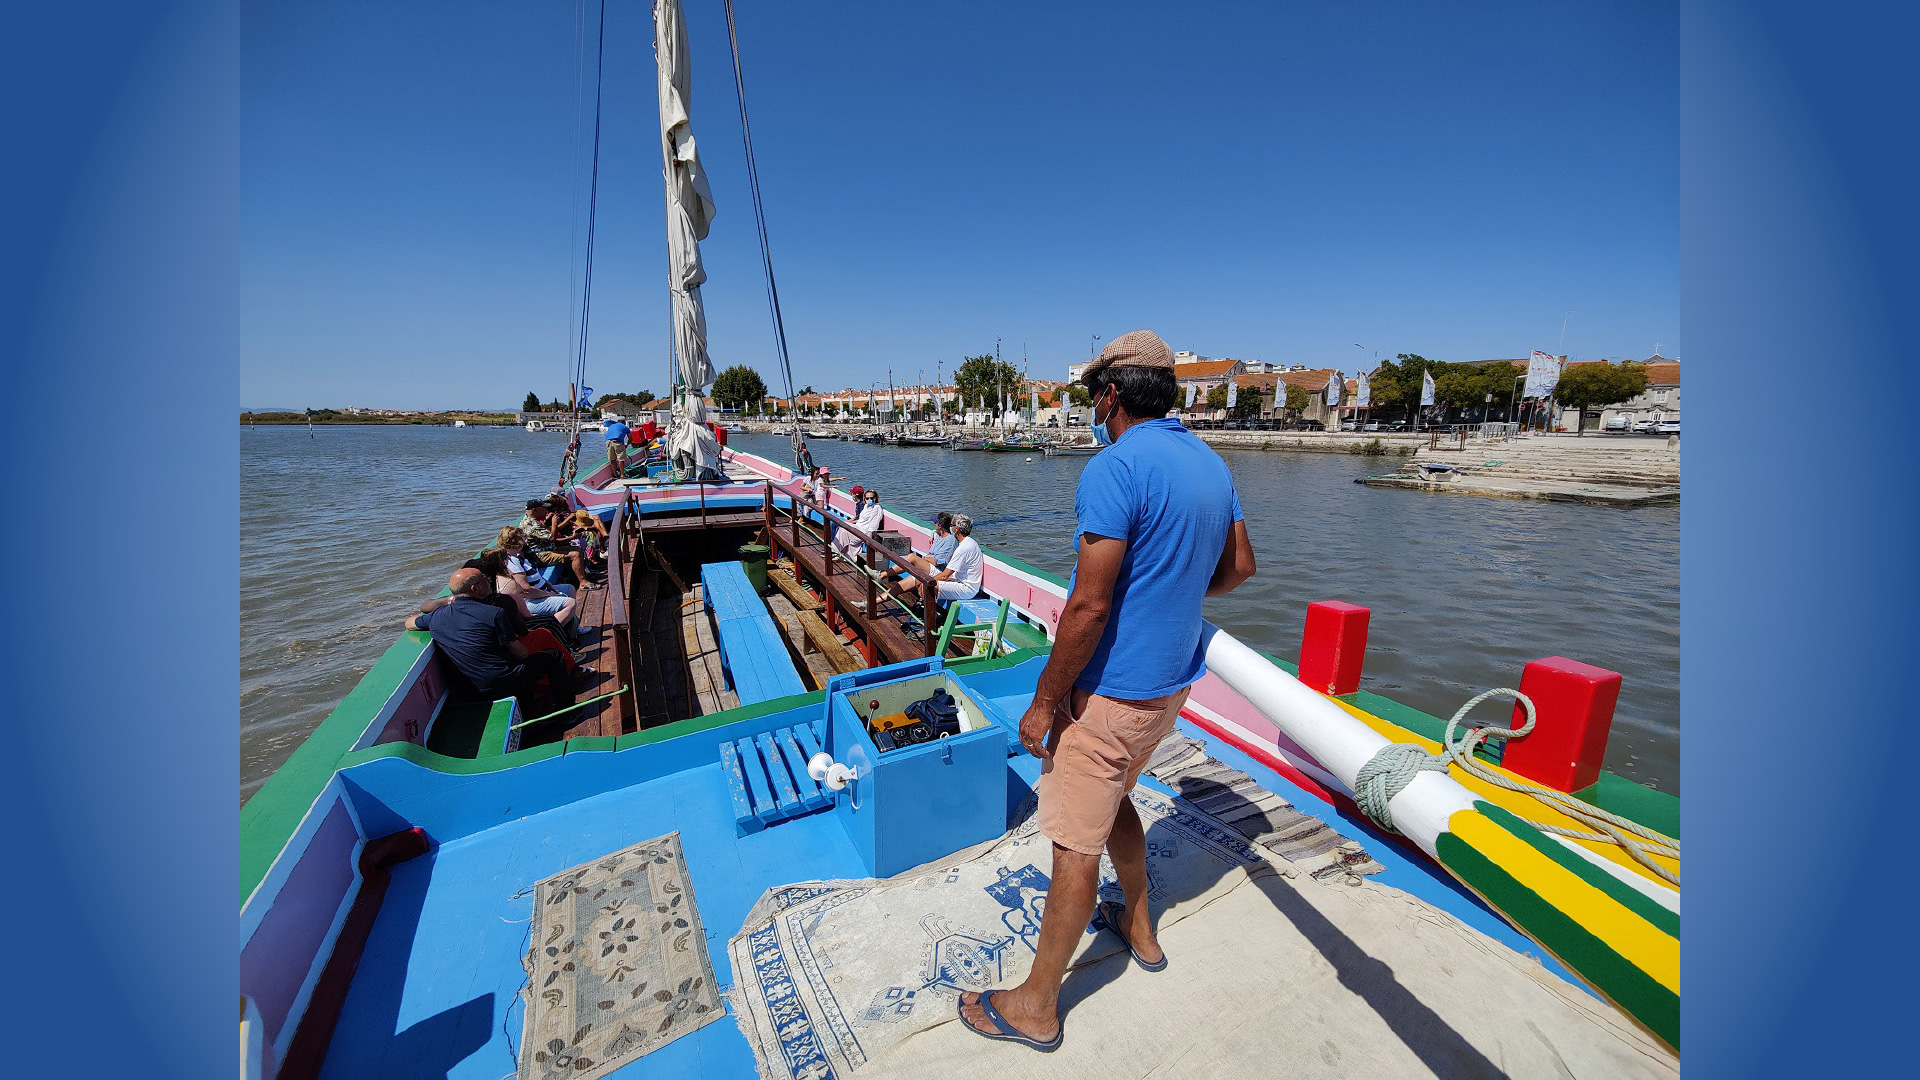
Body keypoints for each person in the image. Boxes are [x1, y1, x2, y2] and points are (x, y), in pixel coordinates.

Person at [956, 330, 1256, 1051]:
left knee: (1071, 849)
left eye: (1094, 394)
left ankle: (1035, 1005)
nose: (1091, 406)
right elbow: (1240, 567)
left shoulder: (1116, 468)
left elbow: (1088, 607)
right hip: (1169, 690)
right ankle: (1140, 926)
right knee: (1116, 797)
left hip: (1108, 696)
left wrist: (1043, 702)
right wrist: (1174, 592)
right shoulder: (1213, 465)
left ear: (1112, 395)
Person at [404, 567, 587, 735]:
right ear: (475, 588)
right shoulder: (493, 613)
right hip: (500, 684)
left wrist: (446, 603)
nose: (489, 581)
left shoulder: (436, 617)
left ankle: (530, 710)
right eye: (484, 579)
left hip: (467, 689)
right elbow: (521, 653)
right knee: (552, 657)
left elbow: (410, 622)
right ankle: (566, 713)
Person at [493, 527, 580, 627]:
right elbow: (526, 590)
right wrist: (548, 594)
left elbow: (533, 574)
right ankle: (551, 630)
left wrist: (548, 584)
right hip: (531, 601)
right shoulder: (512, 563)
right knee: (570, 603)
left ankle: (573, 626)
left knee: (570, 589)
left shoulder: (517, 556)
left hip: (540, 591)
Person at [897, 513, 982, 605]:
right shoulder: (969, 542)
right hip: (958, 580)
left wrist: (927, 582)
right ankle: (922, 606)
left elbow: (945, 575)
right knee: (923, 579)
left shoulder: (963, 548)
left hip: (966, 588)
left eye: (952, 525)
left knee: (929, 585)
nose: (950, 528)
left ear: (956, 529)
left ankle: (926, 613)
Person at [894, 511, 957, 586]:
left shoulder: (950, 540)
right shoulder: (938, 536)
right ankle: (881, 577)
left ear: (940, 525)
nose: (934, 524)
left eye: (935, 523)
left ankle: (883, 574)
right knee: (900, 586)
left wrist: (924, 559)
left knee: (911, 557)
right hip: (929, 566)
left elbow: (936, 562)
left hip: (938, 570)